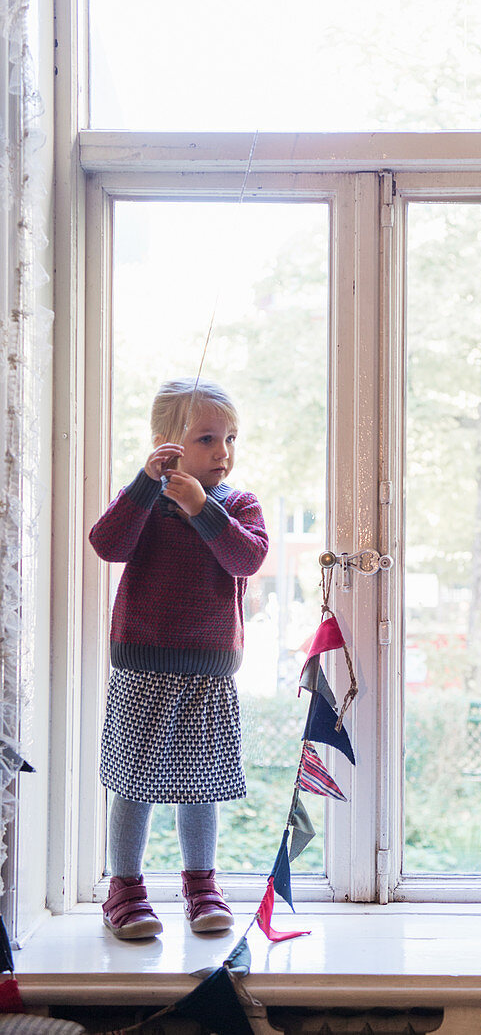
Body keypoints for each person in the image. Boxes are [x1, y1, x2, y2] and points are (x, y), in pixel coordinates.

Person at [89, 378, 268, 940]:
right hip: (142, 666)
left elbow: (246, 558)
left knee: (202, 783)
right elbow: (108, 544)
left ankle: (200, 885)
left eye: (231, 438)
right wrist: (147, 486)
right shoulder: (142, 501)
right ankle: (125, 888)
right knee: (134, 783)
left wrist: (201, 509)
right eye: (208, 438)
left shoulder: (237, 505)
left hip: (209, 673)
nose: (224, 452)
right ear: (167, 444)